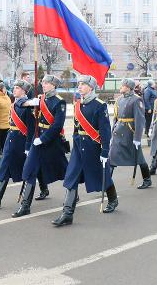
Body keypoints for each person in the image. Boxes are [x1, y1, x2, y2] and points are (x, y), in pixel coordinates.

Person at [52, 75, 116, 226]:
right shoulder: (78, 104)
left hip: (93, 147)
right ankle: (67, 213)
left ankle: (113, 199)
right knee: (71, 178)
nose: (79, 86)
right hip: (78, 147)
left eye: (83, 84)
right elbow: (76, 128)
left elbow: (105, 131)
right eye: (79, 84)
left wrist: (105, 151)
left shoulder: (99, 105)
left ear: (91, 87)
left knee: (102, 175)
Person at [13, 75, 68, 217]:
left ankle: (72, 194)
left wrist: (43, 139)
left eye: (47, 83)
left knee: (63, 169)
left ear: (54, 85)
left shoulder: (59, 102)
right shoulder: (40, 99)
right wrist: (32, 103)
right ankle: (25, 205)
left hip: (51, 141)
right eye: (43, 82)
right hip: (37, 139)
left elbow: (57, 126)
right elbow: (20, 105)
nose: (43, 84)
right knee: (29, 169)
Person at [0, 79, 35, 209]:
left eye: (17, 88)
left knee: (30, 171)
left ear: (24, 91)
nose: (14, 89)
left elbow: (31, 129)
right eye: (15, 87)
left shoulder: (27, 105)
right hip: (11, 141)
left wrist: (28, 146)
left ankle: (30, 200)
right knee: (5, 168)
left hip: (22, 143)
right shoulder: (16, 102)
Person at [109, 78, 151, 190]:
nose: (121, 87)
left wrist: (137, 138)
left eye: (122, 85)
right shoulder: (119, 100)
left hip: (129, 134)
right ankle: (107, 184)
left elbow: (140, 120)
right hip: (118, 133)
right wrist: (112, 132)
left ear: (128, 87)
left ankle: (147, 179)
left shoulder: (137, 100)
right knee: (111, 158)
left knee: (139, 158)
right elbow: (116, 118)